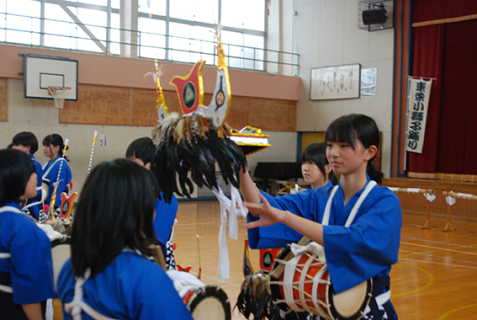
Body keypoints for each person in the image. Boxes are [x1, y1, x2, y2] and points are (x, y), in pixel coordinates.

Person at [240, 114, 401, 320]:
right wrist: (240, 166)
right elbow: (263, 207)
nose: (333, 153)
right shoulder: (319, 198)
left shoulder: (385, 202)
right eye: (330, 145)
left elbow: (354, 239)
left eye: (344, 146)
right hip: (317, 305)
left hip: (365, 308)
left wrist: (286, 217)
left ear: (369, 152)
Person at [56, 159, 193, 320]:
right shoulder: (146, 277)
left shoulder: (70, 268)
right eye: (150, 205)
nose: (154, 214)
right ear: (136, 212)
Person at [0, 149, 55, 320]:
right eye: (32, 173)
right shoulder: (22, 227)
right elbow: (29, 286)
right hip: (12, 308)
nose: (36, 177)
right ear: (17, 178)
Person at [126, 137, 178, 270]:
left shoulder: (163, 197)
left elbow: (154, 245)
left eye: (133, 163)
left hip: (154, 269)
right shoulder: (135, 192)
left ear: (151, 164)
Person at [11, 132, 44, 220]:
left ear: (27, 147)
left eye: (16, 145)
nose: (13, 147)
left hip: (31, 206)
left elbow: (34, 192)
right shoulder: (23, 163)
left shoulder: (34, 165)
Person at [42, 134, 72, 219]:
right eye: (44, 145)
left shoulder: (60, 165)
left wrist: (51, 210)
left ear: (57, 148)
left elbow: (57, 190)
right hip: (47, 207)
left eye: (47, 146)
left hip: (56, 210)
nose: (44, 148)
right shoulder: (48, 164)